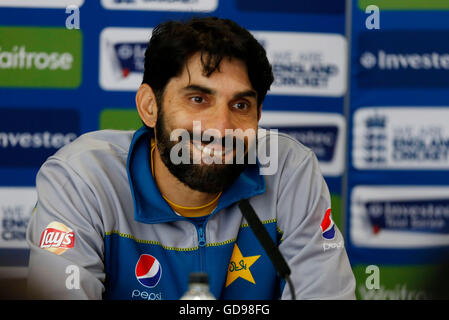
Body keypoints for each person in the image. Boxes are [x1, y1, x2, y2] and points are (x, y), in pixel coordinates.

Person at [26, 17, 355, 300]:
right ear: (149, 107)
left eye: (241, 105)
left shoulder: (288, 170)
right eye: (198, 98)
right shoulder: (83, 179)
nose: (221, 128)